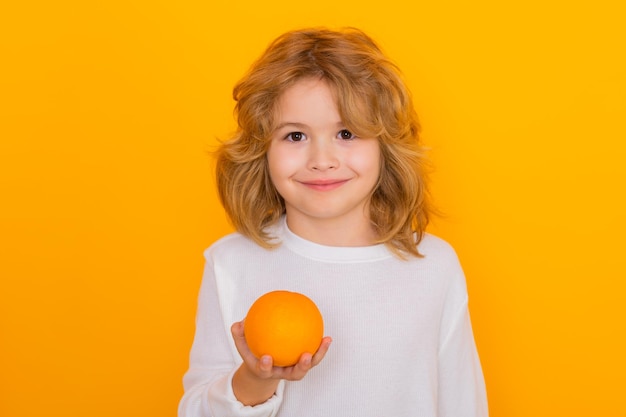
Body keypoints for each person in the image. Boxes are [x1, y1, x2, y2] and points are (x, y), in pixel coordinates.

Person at [178, 27, 488, 417]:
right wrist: (256, 378)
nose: (321, 160)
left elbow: (462, 403)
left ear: (385, 145)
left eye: (346, 133)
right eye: (294, 136)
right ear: (262, 150)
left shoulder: (434, 265)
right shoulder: (231, 263)